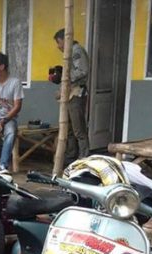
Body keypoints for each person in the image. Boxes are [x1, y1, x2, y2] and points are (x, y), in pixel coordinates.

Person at [54, 28, 90, 165]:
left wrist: (65, 77)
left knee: (78, 129)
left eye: (59, 42)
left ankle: (84, 158)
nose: (58, 46)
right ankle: (71, 156)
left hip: (77, 94)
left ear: (65, 39)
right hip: (69, 94)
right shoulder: (70, 53)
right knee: (69, 129)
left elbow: (82, 71)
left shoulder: (76, 51)